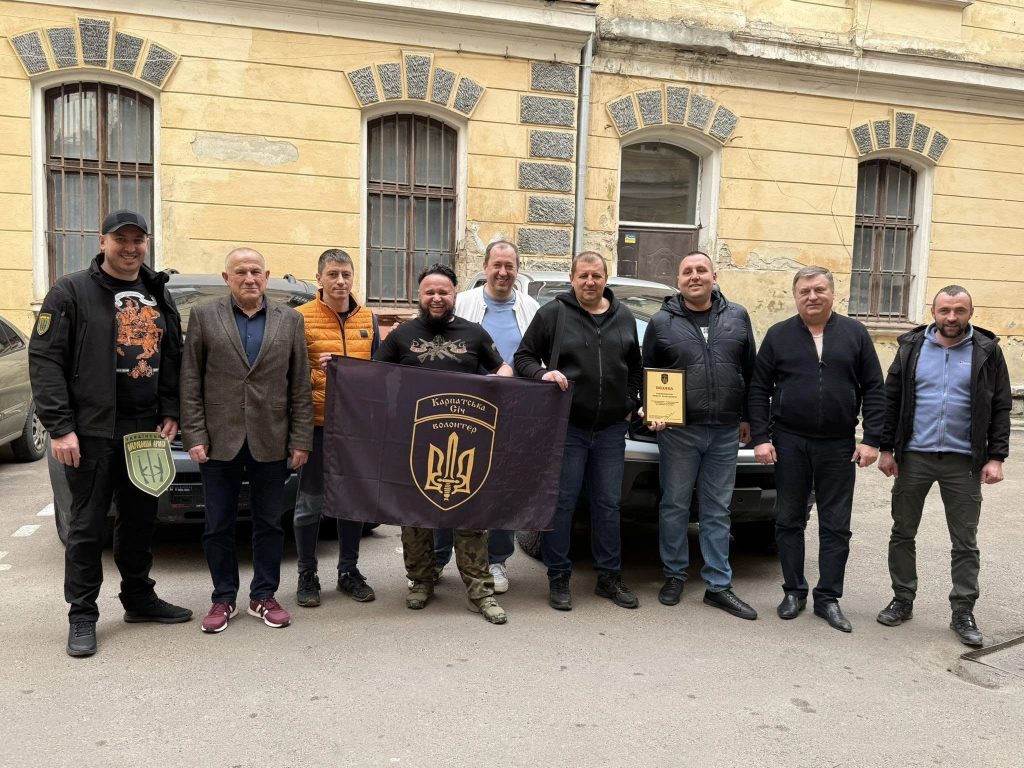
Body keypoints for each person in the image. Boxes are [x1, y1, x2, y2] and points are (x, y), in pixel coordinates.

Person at [29, 209, 192, 657]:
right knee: (87, 526)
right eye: (121, 239)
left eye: (138, 239)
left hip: (145, 432)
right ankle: (82, 614)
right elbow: (45, 361)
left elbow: (171, 356)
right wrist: (60, 427)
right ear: (103, 242)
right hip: (91, 432)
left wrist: (171, 409)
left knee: (140, 521)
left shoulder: (157, 291)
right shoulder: (71, 292)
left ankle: (138, 599)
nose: (131, 247)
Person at [180, 248, 313, 634]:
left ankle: (263, 595)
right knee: (217, 524)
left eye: (256, 271)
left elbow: (299, 385)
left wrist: (300, 439)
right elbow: (190, 380)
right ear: (227, 278)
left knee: (269, 523)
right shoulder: (204, 316)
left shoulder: (290, 321)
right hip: (219, 439)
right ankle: (223, 598)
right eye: (240, 272)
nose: (249, 278)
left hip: (271, 438)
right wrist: (194, 434)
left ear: (266, 276)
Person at [373, 263, 512, 624]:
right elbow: (373, 375)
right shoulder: (401, 336)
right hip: (415, 440)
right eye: (429, 292)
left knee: (469, 515)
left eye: (443, 292)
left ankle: (480, 591)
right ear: (419, 296)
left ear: (454, 295)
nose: (436, 298)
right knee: (414, 517)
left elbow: (502, 368)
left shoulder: (474, 333)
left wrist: (504, 378)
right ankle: (421, 581)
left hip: (467, 442)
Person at [749, 265, 885, 632]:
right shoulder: (779, 335)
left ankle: (828, 598)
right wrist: (761, 437)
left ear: (832, 294)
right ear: (795, 297)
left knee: (836, 525)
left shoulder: (855, 333)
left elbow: (874, 387)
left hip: (839, 445)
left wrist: (871, 439)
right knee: (789, 520)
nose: (812, 296)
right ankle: (794, 591)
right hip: (789, 441)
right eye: (805, 291)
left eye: (819, 290)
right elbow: (759, 388)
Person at [876, 286, 1011, 647]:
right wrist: (886, 448)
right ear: (933, 311)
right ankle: (902, 599)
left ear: (970, 313)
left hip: (963, 461)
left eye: (960, 310)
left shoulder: (987, 351)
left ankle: (962, 611)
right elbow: (891, 399)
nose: (952, 317)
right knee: (903, 532)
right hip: (914, 457)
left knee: (964, 540)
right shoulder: (911, 348)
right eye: (945, 310)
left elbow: (1001, 406)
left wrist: (996, 457)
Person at [514, 251, 643, 611]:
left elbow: (635, 366)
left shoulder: (624, 317)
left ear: (606, 279)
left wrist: (630, 400)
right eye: (583, 275)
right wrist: (543, 374)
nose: (590, 281)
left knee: (608, 505)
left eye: (596, 275)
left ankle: (609, 577)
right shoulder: (553, 314)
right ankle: (558, 576)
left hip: (611, 430)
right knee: (562, 504)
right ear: (572, 279)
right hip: (568, 427)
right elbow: (523, 358)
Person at [642, 251, 758, 620]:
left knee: (717, 509)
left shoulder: (737, 316)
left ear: (714, 276)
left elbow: (750, 371)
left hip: (725, 431)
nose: (695, 276)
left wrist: (748, 417)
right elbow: (648, 373)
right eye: (687, 271)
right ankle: (674, 575)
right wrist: (653, 410)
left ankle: (718, 585)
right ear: (678, 280)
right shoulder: (661, 322)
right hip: (679, 431)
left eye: (701, 270)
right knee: (675, 506)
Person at [431, 240, 540, 593]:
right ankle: (438, 558)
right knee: (450, 480)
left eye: (509, 266)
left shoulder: (531, 308)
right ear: (485, 267)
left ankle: (496, 560)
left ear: (517, 269)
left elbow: (538, 359)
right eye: (497, 265)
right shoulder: (463, 302)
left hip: (512, 413)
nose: (503, 272)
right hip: (462, 409)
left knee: (502, 488)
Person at [293, 249, 381, 608]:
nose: (340, 281)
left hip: (356, 428)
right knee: (309, 503)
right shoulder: (300, 318)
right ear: (319, 279)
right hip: (315, 425)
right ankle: (307, 574)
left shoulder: (369, 318)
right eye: (332, 274)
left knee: (352, 502)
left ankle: (348, 571)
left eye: (346, 274)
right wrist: (320, 370)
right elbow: (291, 375)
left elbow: (379, 372)